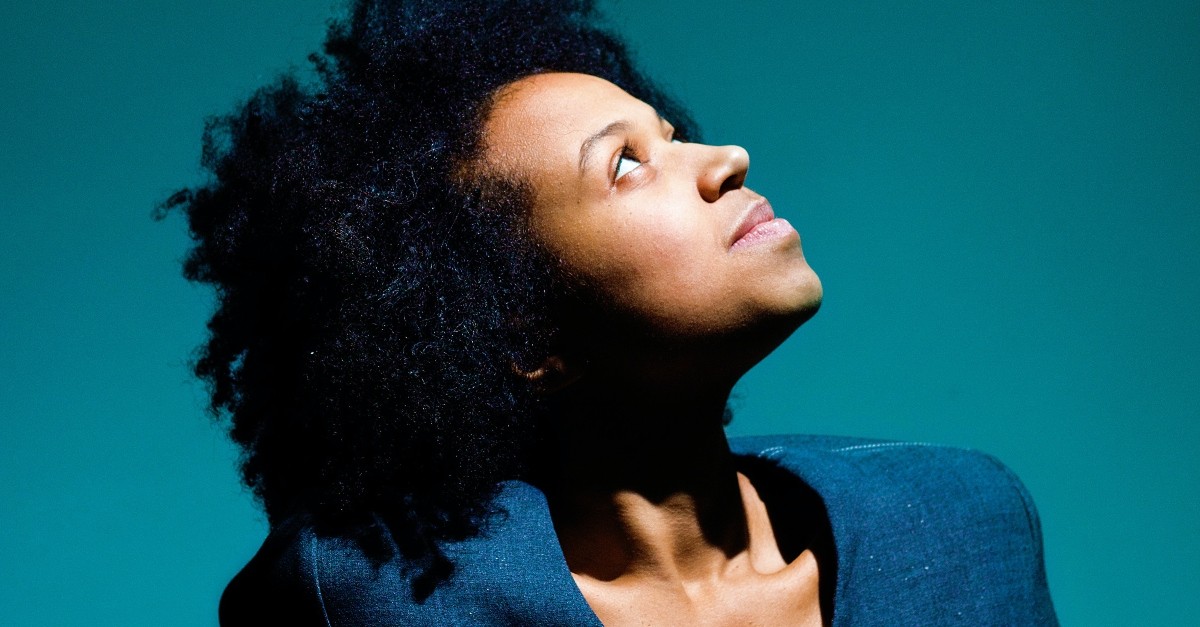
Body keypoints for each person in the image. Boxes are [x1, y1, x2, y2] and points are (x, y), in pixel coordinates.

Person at [166, 0, 1057, 624]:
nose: (727, 159)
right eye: (625, 164)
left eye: (669, 134)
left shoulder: (965, 527)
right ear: (524, 334)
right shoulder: (376, 601)